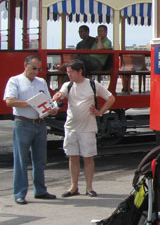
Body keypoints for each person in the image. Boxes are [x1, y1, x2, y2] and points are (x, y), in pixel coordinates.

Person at [53, 59, 115, 197]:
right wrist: (58, 95)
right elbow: (61, 93)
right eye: (67, 72)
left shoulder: (93, 85)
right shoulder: (68, 85)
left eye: (71, 72)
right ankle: (73, 186)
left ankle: (89, 187)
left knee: (88, 157)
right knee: (72, 156)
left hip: (87, 128)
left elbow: (110, 98)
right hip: (71, 127)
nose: (69, 75)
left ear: (80, 71)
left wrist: (100, 112)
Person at [3, 55, 57, 204]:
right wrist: (30, 103)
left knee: (40, 160)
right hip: (23, 123)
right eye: (34, 68)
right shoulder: (15, 80)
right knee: (21, 159)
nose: (36, 72)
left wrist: (52, 109)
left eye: (39, 69)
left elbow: (48, 100)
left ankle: (40, 190)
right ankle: (20, 193)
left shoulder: (41, 82)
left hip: (40, 123)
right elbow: (9, 101)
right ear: (25, 65)